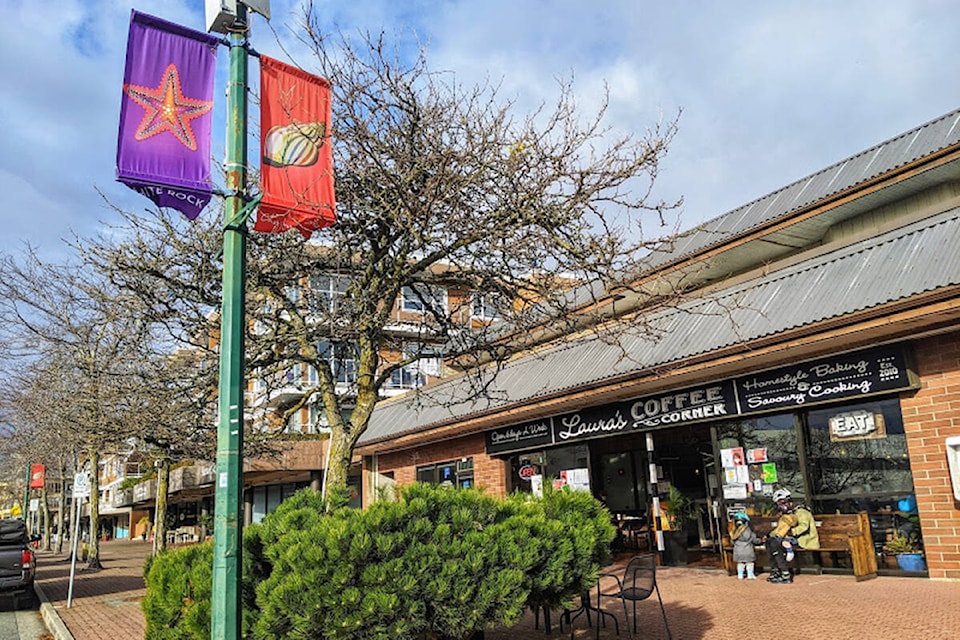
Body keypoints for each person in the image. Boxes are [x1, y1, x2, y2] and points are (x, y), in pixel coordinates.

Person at [763, 489, 819, 584]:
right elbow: (780, 528)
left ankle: (785, 573)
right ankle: (775, 571)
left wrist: (790, 532)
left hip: (804, 541)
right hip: (792, 540)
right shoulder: (788, 513)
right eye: (779, 504)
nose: (781, 506)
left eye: (782, 502)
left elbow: (804, 527)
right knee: (770, 542)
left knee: (775, 544)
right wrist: (769, 535)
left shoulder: (801, 511)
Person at [731, 512, 760, 579]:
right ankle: (750, 574)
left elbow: (732, 542)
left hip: (738, 552)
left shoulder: (735, 532)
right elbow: (754, 540)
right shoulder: (748, 530)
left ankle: (740, 575)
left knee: (740, 564)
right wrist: (760, 541)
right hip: (748, 551)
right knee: (749, 563)